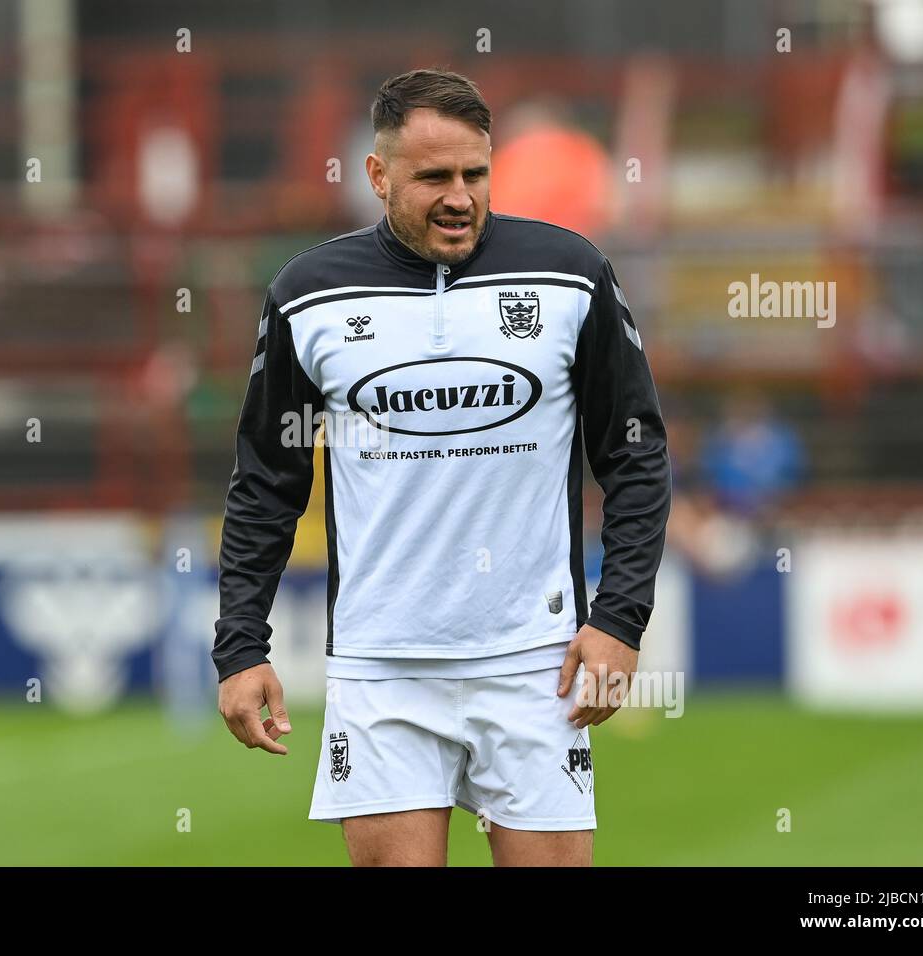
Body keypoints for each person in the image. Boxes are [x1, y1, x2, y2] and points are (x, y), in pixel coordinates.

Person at [213, 69, 671, 866]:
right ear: (379, 175)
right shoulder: (307, 294)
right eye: (433, 177)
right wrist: (241, 647)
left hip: (538, 664)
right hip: (382, 666)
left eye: (475, 174)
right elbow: (267, 481)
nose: (460, 196)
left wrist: (619, 621)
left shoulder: (571, 273)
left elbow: (635, 454)